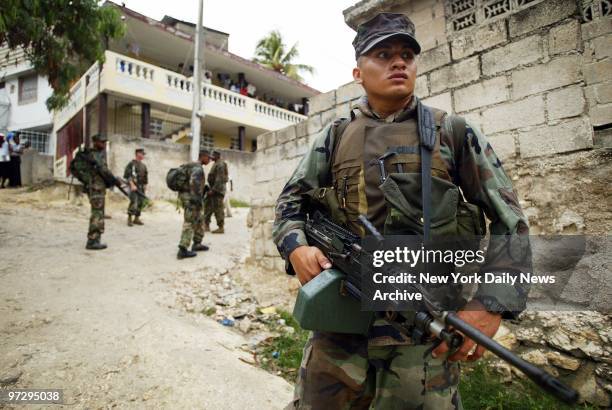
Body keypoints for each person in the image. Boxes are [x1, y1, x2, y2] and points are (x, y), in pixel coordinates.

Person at [272, 13, 530, 409]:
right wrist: (297, 248)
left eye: (407, 54)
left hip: (422, 336)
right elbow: (290, 205)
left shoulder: (452, 133)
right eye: (384, 54)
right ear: (359, 71)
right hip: (340, 328)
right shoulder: (335, 135)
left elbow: (511, 223)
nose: (399, 62)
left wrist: (492, 305)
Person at [177, 150, 211, 259]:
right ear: (203, 156)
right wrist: (196, 200)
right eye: (208, 157)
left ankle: (197, 243)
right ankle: (182, 249)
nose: (209, 159)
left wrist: (203, 188)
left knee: (199, 219)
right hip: (191, 198)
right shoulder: (197, 168)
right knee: (190, 221)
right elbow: (193, 184)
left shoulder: (192, 166)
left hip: (188, 196)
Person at [85, 134, 114, 250]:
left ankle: (94, 239)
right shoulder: (94, 155)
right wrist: (114, 179)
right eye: (101, 142)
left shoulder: (94, 155)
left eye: (104, 142)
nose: (103, 144)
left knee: (98, 212)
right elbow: (104, 170)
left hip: (96, 187)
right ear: (95, 142)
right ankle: (93, 241)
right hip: (96, 187)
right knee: (97, 213)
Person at [203, 150, 228, 234]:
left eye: (213, 155)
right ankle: (206, 225)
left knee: (218, 209)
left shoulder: (220, 164)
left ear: (217, 155)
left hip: (217, 191)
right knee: (207, 206)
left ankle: (221, 227)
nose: (211, 156)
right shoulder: (216, 163)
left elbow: (219, 179)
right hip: (213, 189)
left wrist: (213, 190)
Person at [124, 148, 148, 226]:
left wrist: (145, 185)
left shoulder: (143, 166)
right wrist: (132, 184)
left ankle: (136, 218)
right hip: (133, 186)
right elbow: (128, 175)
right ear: (138, 154)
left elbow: (145, 176)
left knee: (140, 202)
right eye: (142, 154)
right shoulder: (131, 164)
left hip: (141, 186)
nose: (143, 155)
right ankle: (129, 218)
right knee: (134, 202)